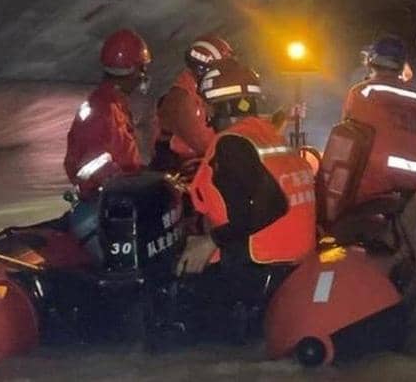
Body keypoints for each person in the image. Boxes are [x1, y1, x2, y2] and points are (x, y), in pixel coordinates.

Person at [178, 58, 317, 275]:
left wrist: (211, 240)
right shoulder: (267, 135)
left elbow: (272, 203)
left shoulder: (231, 143)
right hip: (294, 259)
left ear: (209, 108)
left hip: (258, 265)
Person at [63, 28, 151, 253]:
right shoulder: (105, 109)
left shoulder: (111, 104)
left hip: (110, 200)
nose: (144, 76)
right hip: (101, 208)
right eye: (143, 69)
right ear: (133, 70)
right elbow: (89, 165)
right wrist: (130, 185)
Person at [339, 35, 416, 205]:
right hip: (415, 181)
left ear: (372, 61)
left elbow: (345, 133)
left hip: (374, 182)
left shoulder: (362, 92)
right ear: (401, 65)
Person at [151, 35, 233, 173]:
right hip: (176, 168)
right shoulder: (182, 99)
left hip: (194, 163)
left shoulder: (201, 90)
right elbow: (204, 144)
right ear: (204, 69)